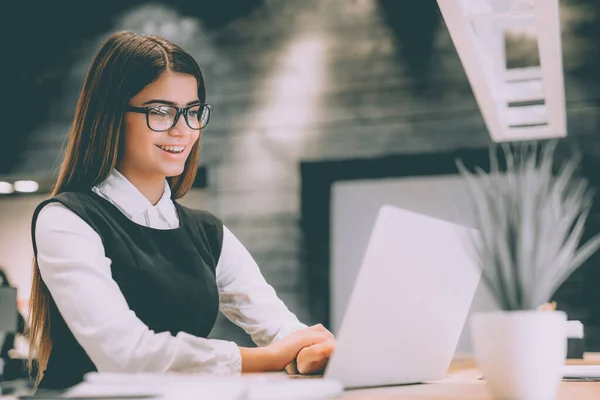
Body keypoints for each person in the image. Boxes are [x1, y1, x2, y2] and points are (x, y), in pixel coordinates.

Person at [27, 31, 336, 390]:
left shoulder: (207, 232)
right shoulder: (66, 219)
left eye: (192, 112)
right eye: (160, 112)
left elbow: (277, 325)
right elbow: (125, 357)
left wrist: (310, 347)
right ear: (110, 114)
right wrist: (270, 357)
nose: (182, 130)